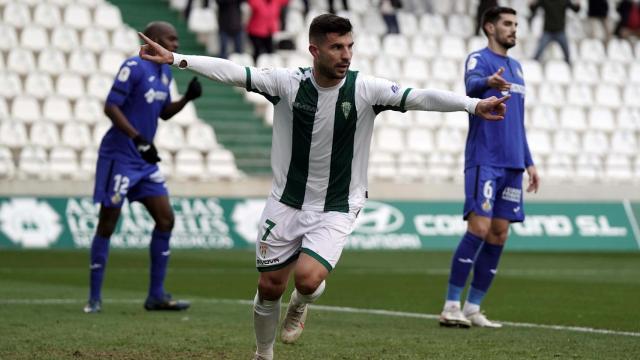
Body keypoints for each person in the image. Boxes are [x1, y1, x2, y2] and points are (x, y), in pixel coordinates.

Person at [137, 14, 509, 359]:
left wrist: (473, 105)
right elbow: (234, 72)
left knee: (308, 278)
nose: (345, 55)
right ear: (315, 50)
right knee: (269, 287)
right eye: (336, 47)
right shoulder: (287, 83)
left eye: (349, 46)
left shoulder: (365, 88)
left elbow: (420, 96)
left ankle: (300, 304)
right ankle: (263, 355)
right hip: (286, 201)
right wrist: (176, 59)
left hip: (337, 204)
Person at [83, 21, 202, 314]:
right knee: (108, 223)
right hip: (120, 156)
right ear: (153, 40)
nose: (175, 44)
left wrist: (186, 99)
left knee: (166, 220)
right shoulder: (133, 66)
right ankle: (94, 298)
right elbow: (110, 107)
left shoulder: (164, 72)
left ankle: (156, 296)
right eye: (171, 39)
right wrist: (138, 139)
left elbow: (162, 113)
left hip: (144, 161)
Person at [439, 6, 540, 329]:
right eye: (507, 24)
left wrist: (529, 162)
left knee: (499, 234)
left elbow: (518, 122)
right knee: (479, 229)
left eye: (515, 24)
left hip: (512, 163)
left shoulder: (518, 68)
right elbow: (470, 87)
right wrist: (487, 82)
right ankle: (451, 304)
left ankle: (473, 307)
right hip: (485, 158)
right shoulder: (479, 59)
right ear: (489, 28)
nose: (513, 30)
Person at [530, 0, 580, 64]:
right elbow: (533, 9)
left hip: (560, 32)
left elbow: (575, 10)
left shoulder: (564, 1)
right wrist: (531, 4)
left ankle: (568, 67)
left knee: (567, 56)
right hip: (548, 31)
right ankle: (532, 66)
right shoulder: (545, 1)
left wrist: (578, 4)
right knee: (538, 53)